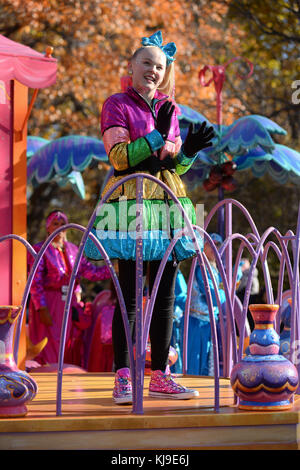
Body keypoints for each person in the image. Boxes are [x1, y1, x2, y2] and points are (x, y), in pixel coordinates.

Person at [85, 31, 215, 404]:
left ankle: (161, 374)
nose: (154, 71)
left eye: (160, 66)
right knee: (129, 293)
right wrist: (157, 136)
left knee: (165, 296)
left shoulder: (169, 106)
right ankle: (124, 376)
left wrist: (187, 149)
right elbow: (121, 158)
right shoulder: (116, 104)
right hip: (132, 202)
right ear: (131, 66)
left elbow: (173, 165)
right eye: (147, 63)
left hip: (168, 205)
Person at [28, 210, 111, 366]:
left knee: (68, 343)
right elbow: (35, 281)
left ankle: (64, 377)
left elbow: (91, 272)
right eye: (55, 224)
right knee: (48, 343)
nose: (60, 228)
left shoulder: (73, 249)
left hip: (69, 302)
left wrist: (113, 269)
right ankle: (49, 379)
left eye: (63, 224)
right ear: (48, 227)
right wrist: (41, 307)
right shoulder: (40, 249)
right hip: (50, 302)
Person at [187, 233, 226, 376]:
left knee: (207, 362)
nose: (213, 249)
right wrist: (224, 293)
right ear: (204, 246)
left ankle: (205, 394)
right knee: (195, 361)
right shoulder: (202, 267)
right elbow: (214, 297)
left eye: (217, 245)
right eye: (210, 245)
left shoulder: (215, 269)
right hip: (196, 322)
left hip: (208, 322)